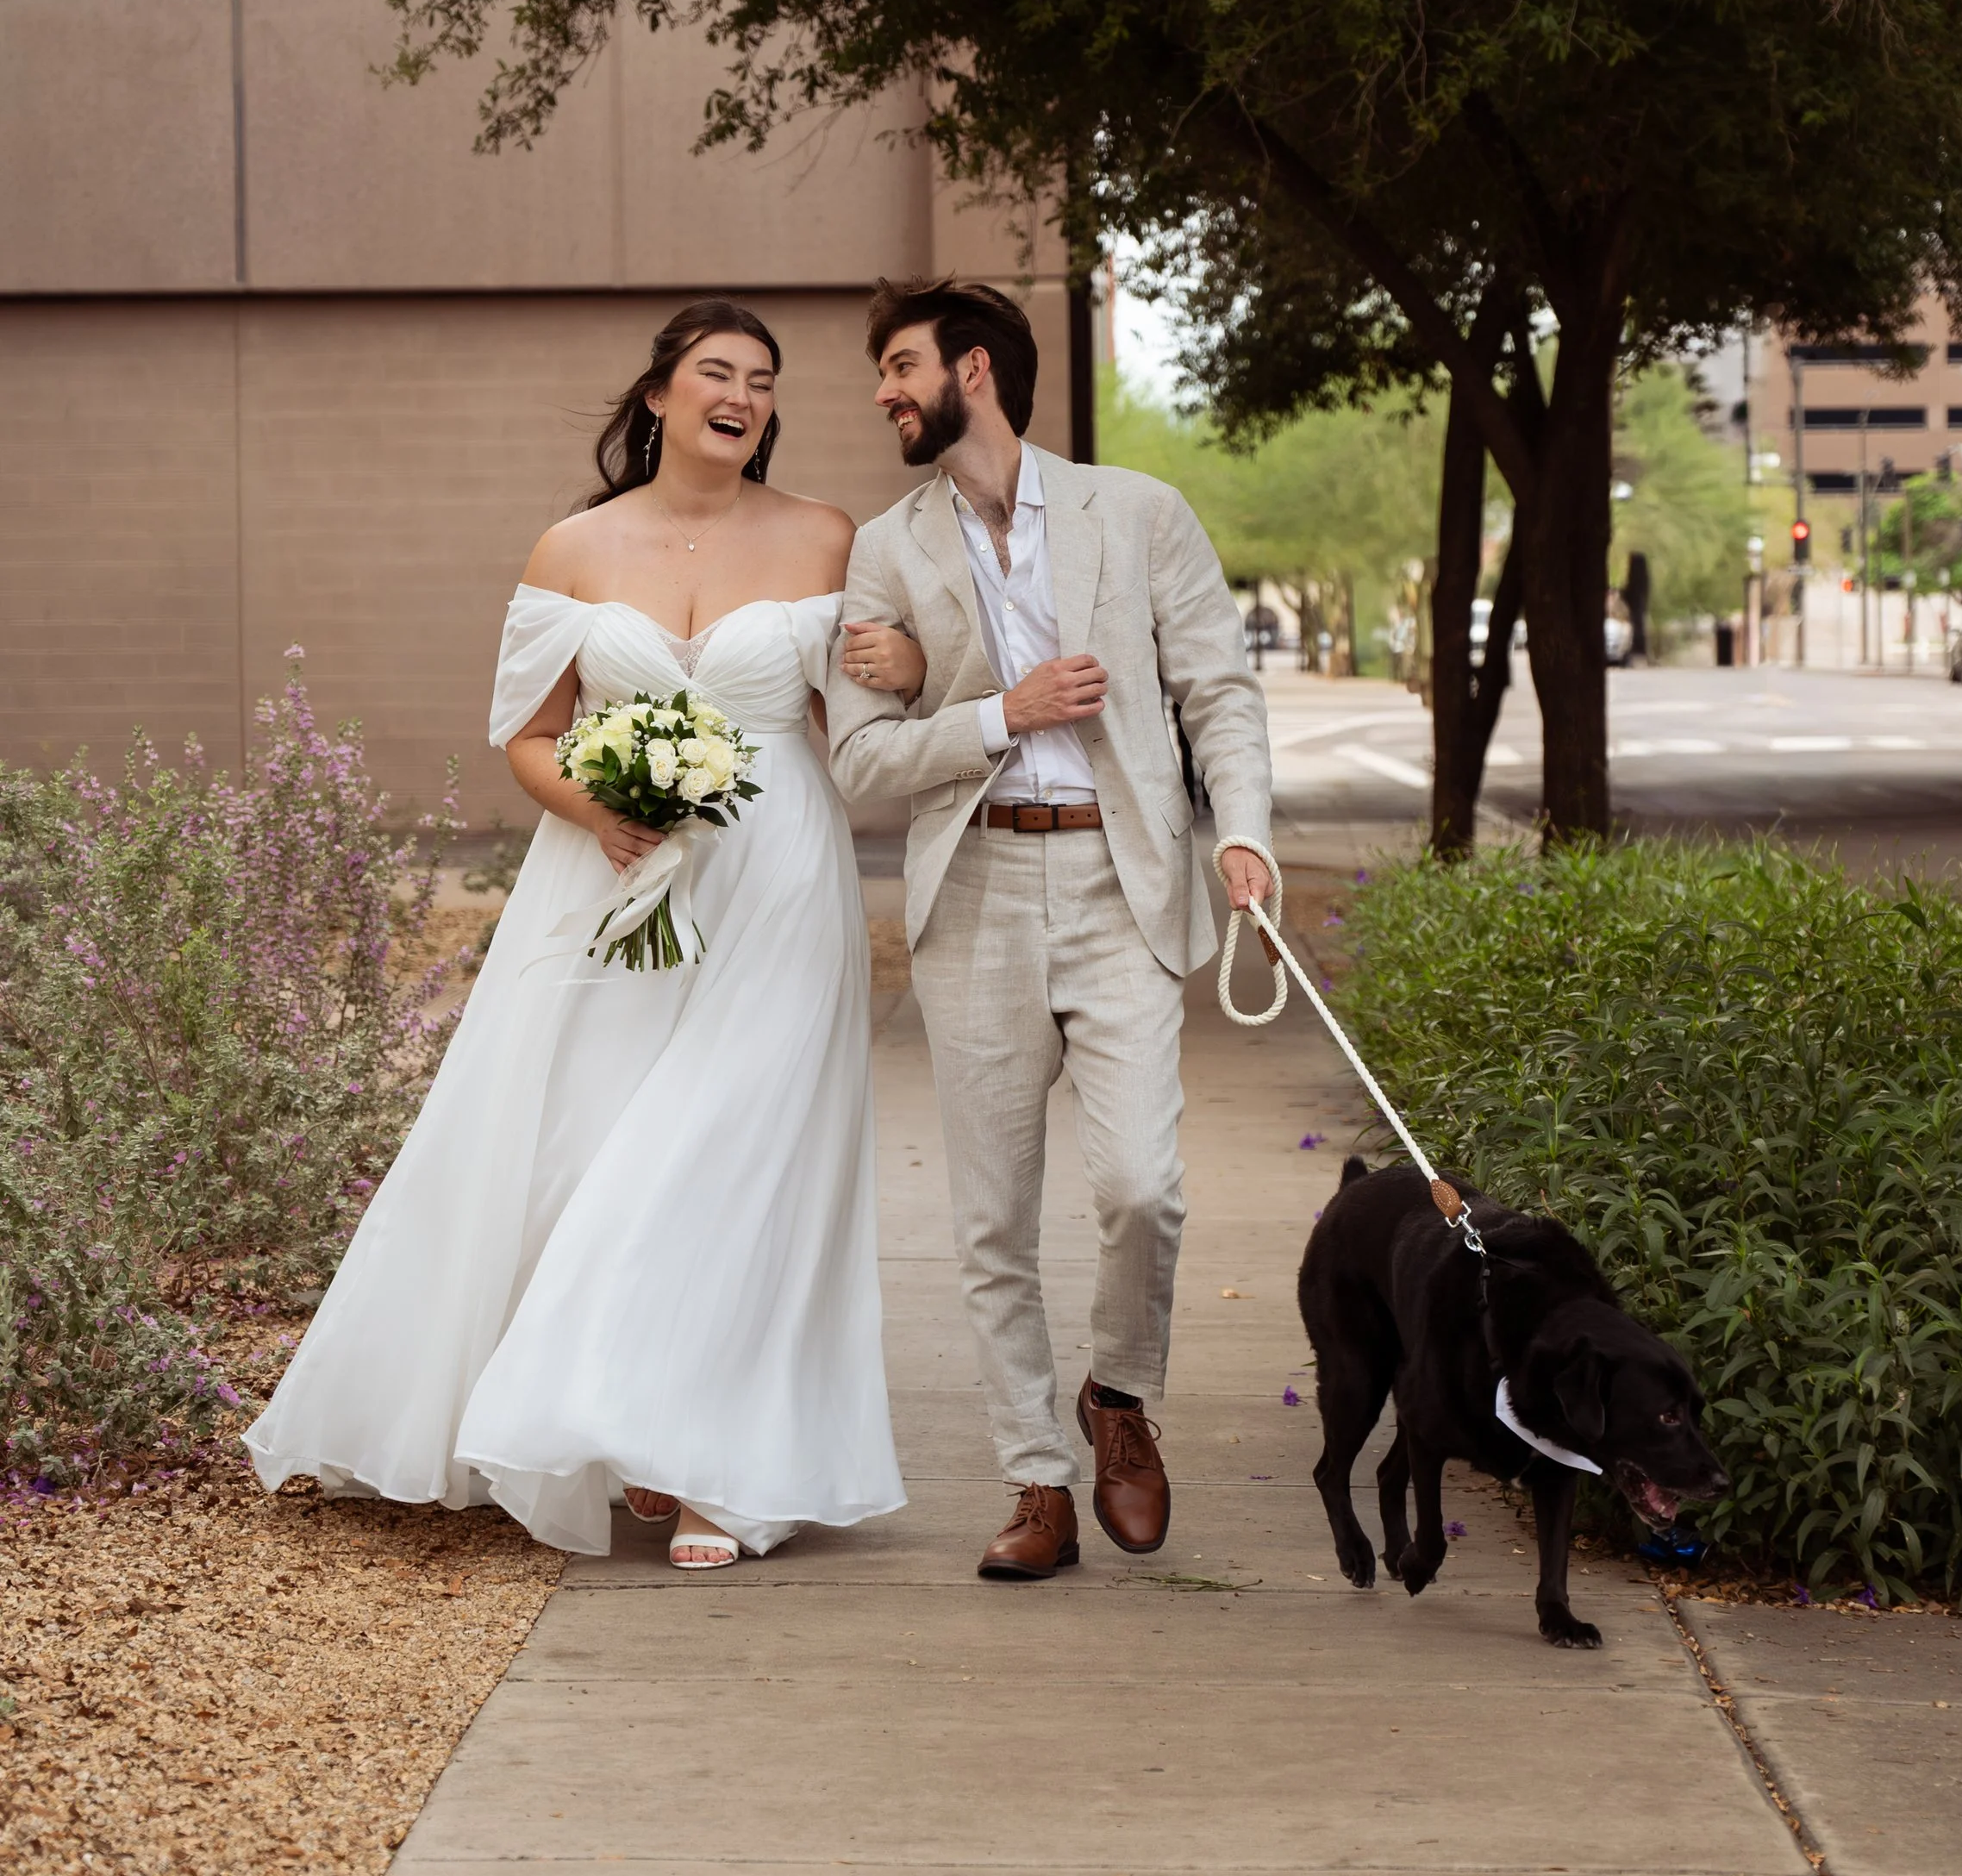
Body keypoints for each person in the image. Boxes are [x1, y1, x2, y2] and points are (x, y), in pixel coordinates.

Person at [247, 297, 922, 1568]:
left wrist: (908, 667)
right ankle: (633, 1424)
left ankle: (717, 1460)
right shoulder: (571, 547)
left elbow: (863, 713)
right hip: (613, 884)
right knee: (599, 1151)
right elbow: (526, 736)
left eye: (764, 379)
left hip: (776, 880)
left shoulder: (829, 535)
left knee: (739, 1150)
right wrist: (605, 809)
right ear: (660, 394)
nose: (743, 392)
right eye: (716, 371)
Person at [825, 279, 1274, 1581]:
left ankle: (1118, 1399)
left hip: (1120, 883)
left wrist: (1240, 827)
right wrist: (999, 713)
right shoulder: (884, 550)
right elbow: (862, 766)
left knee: (1144, 1184)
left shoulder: (1135, 513)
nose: (882, 392)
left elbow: (1218, 688)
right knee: (992, 1222)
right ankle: (1036, 1475)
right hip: (971, 896)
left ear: (973, 369)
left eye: (900, 366)